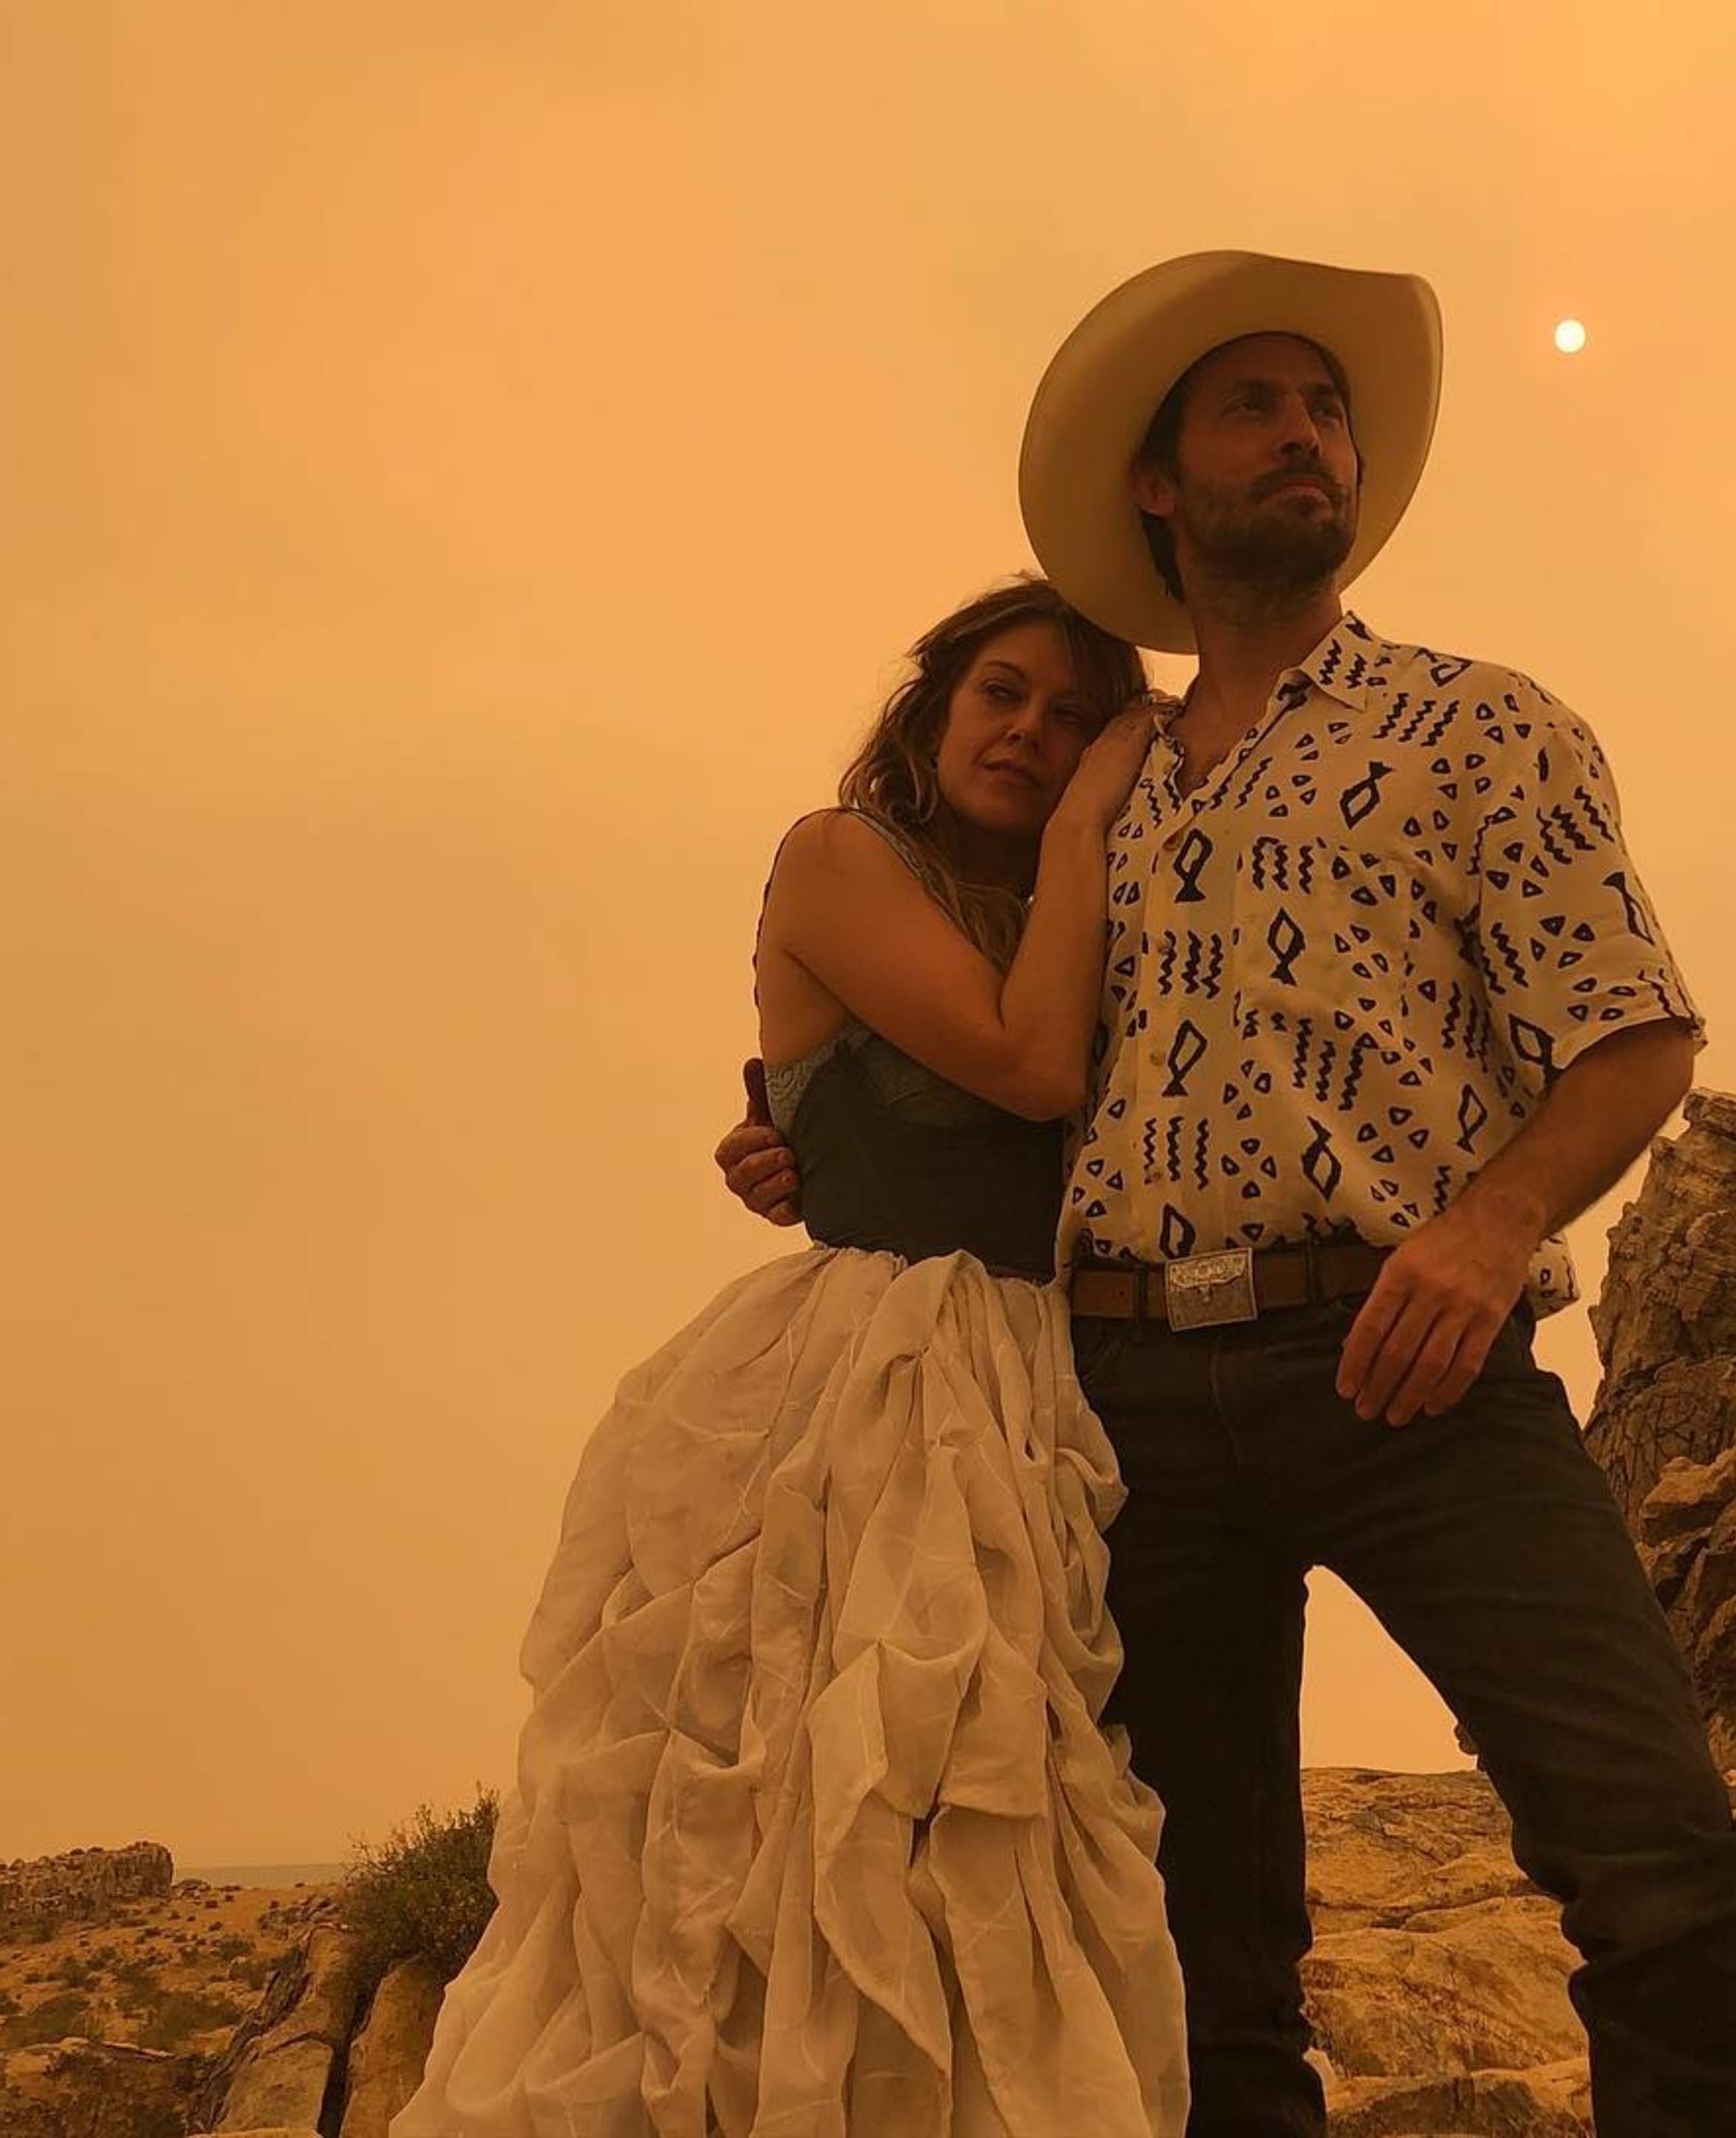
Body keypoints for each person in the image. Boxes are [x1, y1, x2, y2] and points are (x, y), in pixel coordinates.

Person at [718, 252, 1736, 2137]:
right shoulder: (1101, 789)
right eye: (1256, 406)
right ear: (1163, 484)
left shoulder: (1483, 723)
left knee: (1657, 1850)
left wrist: (1485, 1228)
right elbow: (988, 1046)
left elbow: (1632, 1033)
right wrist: (792, 1129)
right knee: (1202, 1951)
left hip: (1414, 1361)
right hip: (1121, 1400)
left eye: (1329, 409)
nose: (1307, 433)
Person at [395, 577, 1191, 2137]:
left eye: (1076, 717)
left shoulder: (1073, 915)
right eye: (1004, 695)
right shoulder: (839, 857)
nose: (1035, 736)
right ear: (932, 707)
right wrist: (1100, 807)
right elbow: (1030, 1069)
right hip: (879, 1390)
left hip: (1060, 1389)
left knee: (1024, 1833)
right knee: (836, 1823)